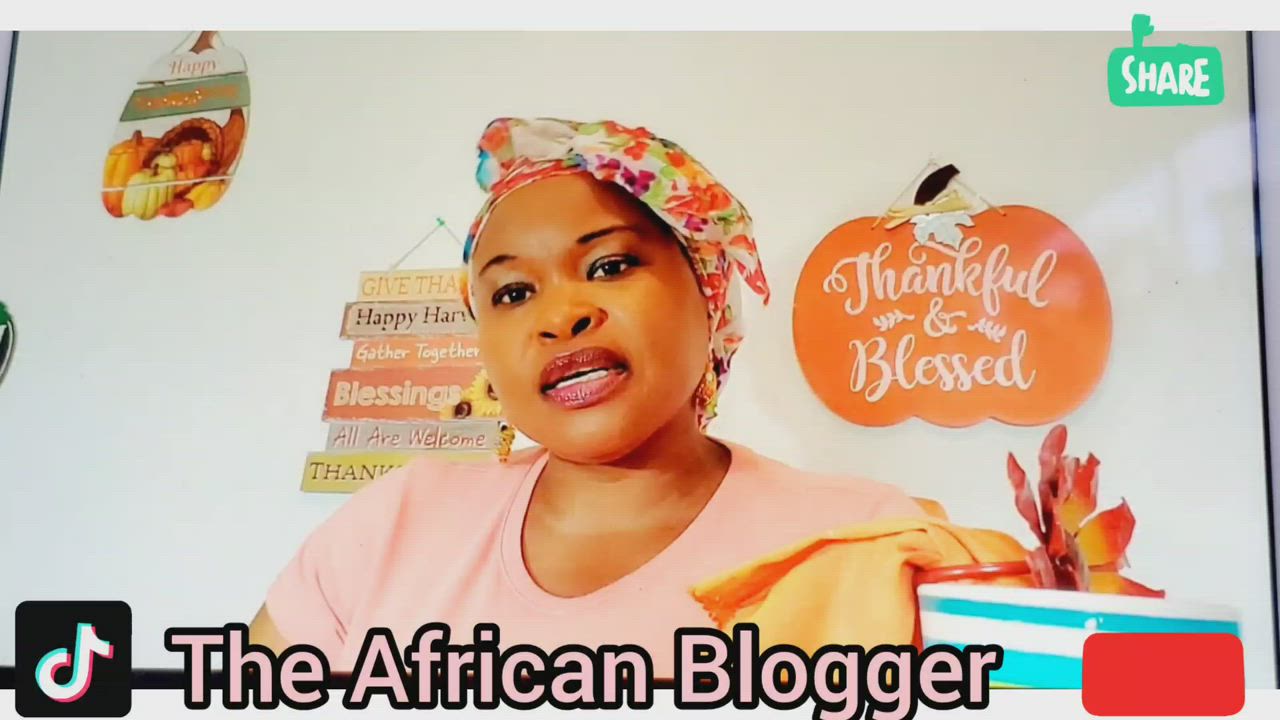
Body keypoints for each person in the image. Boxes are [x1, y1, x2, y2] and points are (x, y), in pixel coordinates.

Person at [248, 118, 927, 676]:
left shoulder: (865, 540)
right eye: (514, 293)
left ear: (709, 294)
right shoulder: (391, 526)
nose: (560, 316)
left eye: (610, 265)